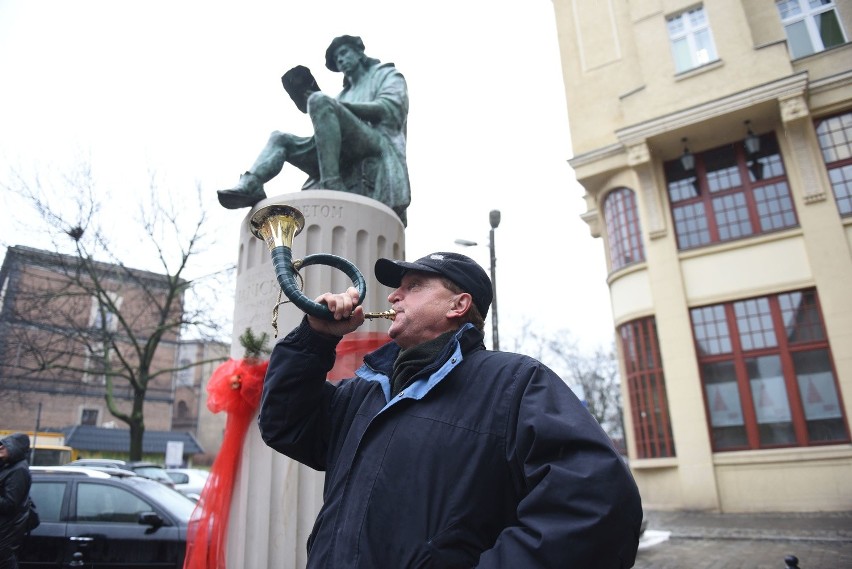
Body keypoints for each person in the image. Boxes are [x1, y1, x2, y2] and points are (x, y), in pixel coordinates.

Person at [259, 251, 643, 568]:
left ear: (459, 305)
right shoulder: (363, 392)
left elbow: (597, 505)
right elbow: (285, 425)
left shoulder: (514, 383)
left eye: (414, 287)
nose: (394, 296)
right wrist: (314, 338)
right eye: (397, 288)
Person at [218, 35, 411, 226]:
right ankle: (251, 184)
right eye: (337, 59)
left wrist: (333, 105)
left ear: (360, 52)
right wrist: (314, 101)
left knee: (319, 100)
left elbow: (390, 109)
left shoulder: (385, 75)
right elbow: (328, 134)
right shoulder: (344, 93)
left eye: (344, 53)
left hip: (376, 143)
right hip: (345, 149)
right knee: (280, 138)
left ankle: (331, 185)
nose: (341, 60)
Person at [0, 433, 33, 569]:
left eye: (5, 445)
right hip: (5, 527)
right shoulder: (9, 466)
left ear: (16, 448)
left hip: (6, 529)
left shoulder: (18, 470)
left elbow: (10, 504)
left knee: (4, 560)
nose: (1, 447)